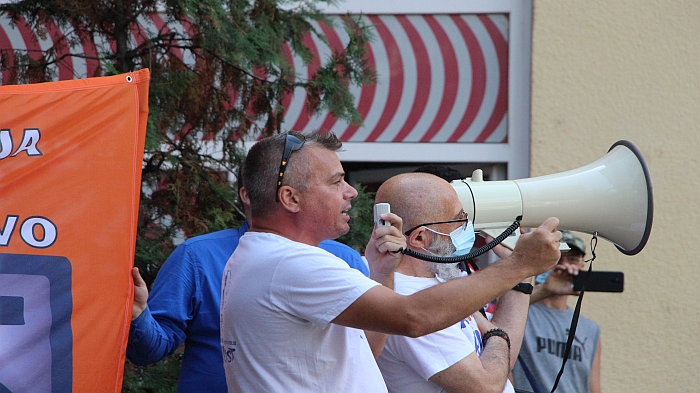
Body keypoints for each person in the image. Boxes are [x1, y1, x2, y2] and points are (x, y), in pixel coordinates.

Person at [220, 129, 563, 392]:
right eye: (336, 182)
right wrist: (519, 265)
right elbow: (414, 317)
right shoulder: (291, 263)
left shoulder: (267, 256)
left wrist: (381, 275)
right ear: (290, 198)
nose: (351, 192)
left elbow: (363, 351)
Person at [127, 185, 369, 393]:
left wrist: (385, 272)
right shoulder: (197, 257)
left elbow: (367, 353)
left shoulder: (345, 261)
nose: (349, 191)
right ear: (249, 194)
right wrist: (138, 315)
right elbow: (149, 350)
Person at [375, 171, 531, 393]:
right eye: (460, 218)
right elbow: (487, 386)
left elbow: (501, 363)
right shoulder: (408, 298)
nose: (468, 225)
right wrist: (497, 335)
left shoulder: (442, 276)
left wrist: (521, 274)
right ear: (420, 237)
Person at [511, 231, 602, 393]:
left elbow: (593, 387)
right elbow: (492, 314)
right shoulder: (520, 311)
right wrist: (544, 290)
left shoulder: (590, 329)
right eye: (557, 257)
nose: (564, 264)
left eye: (572, 259)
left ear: (581, 266)